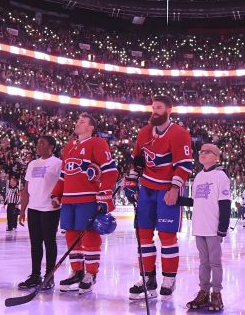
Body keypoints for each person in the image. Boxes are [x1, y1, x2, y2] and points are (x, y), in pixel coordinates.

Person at [123, 95, 193, 300]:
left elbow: (184, 165)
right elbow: (137, 161)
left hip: (167, 191)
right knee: (143, 236)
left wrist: (174, 189)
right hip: (146, 189)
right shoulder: (144, 132)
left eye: (159, 107)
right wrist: (131, 182)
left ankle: (169, 279)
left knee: (166, 236)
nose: (154, 111)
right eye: (153, 107)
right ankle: (147, 278)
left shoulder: (180, 133)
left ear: (169, 110)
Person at [51, 113, 118, 294]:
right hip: (69, 199)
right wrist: (56, 192)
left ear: (90, 128)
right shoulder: (69, 146)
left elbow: (110, 171)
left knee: (89, 235)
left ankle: (91, 273)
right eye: (78, 120)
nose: (77, 123)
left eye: (82, 122)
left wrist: (104, 194)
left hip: (88, 197)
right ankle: (77, 271)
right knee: (71, 235)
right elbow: (64, 174)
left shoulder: (97, 143)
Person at [185, 144, 229, 313]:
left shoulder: (221, 176)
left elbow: (225, 203)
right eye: (201, 151)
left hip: (213, 228)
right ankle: (203, 292)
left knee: (215, 263)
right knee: (203, 263)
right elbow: (196, 201)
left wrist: (222, 229)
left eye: (207, 152)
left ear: (216, 157)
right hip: (199, 227)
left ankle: (216, 294)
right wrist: (178, 199)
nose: (202, 154)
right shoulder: (198, 177)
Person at [17, 135, 62, 291]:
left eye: (42, 143)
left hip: (50, 209)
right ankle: (35, 275)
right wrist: (22, 209)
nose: (38, 146)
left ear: (51, 147)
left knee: (49, 243)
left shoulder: (57, 164)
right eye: (37, 143)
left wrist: (59, 198)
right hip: (34, 209)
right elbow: (26, 189)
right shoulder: (32, 164)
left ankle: (49, 277)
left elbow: (63, 184)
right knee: (35, 244)